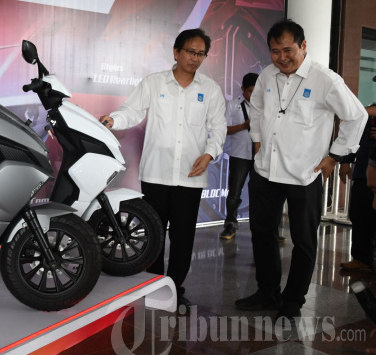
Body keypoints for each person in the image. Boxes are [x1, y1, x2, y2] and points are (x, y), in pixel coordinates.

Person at [235, 19, 367, 323]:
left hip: (304, 174)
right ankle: (267, 291)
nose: (282, 57)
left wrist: (335, 156)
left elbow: (357, 116)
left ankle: (293, 299)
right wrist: (257, 141)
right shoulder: (266, 75)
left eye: (288, 50)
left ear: (303, 46)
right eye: (275, 51)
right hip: (266, 171)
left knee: (304, 241)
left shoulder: (325, 79)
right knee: (262, 233)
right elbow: (257, 109)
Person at [100, 28, 227, 308]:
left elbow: (218, 128)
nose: (195, 58)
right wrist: (113, 120)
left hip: (190, 176)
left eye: (201, 54)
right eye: (190, 52)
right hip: (156, 173)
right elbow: (132, 111)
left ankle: (175, 286)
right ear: (176, 52)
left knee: (183, 236)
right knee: (154, 233)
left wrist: (209, 154)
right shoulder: (154, 83)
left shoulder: (210, 89)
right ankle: (153, 284)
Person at [220, 72, 259, 240]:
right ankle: (230, 224)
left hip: (260, 155)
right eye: (250, 91)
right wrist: (244, 126)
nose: (253, 95)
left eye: (257, 91)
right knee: (234, 192)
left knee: (261, 194)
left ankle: (264, 228)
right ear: (242, 88)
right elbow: (224, 129)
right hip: (239, 155)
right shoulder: (232, 105)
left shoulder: (265, 105)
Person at [339, 102, 376, 271]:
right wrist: (345, 161)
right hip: (364, 173)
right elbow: (356, 136)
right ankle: (361, 259)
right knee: (359, 214)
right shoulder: (367, 114)